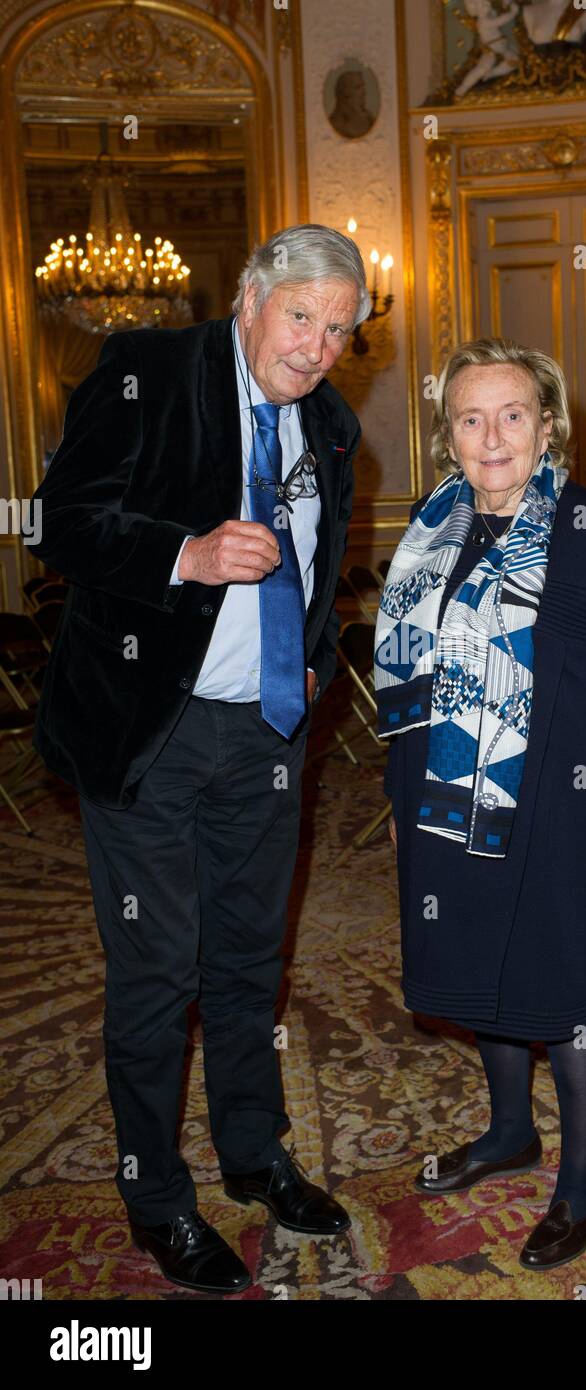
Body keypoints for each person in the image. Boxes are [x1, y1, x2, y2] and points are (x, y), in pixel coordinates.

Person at [28, 224, 367, 1295]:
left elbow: (322, 564)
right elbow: (60, 521)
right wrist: (185, 553)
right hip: (150, 725)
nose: (316, 347)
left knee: (246, 959)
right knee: (155, 968)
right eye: (302, 316)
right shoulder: (147, 372)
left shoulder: (333, 424)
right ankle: (156, 1199)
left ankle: (255, 1157)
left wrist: (311, 669)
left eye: (340, 330)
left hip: (264, 732)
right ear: (251, 301)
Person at [374, 337, 586, 1270]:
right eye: (470, 417)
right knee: (476, 964)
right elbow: (406, 677)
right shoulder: (430, 528)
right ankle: (510, 1130)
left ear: (548, 426)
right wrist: (401, 793)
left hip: (562, 805)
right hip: (448, 798)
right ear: (447, 435)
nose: (491, 435)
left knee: (564, 983)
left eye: (512, 415)